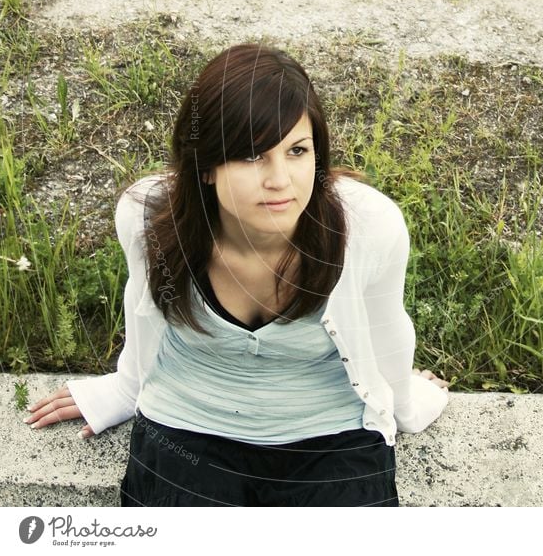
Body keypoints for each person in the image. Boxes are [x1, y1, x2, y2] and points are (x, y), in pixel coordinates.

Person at [26, 43, 450, 506]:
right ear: (205, 165)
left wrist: (407, 403)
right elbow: (143, 314)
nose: (280, 180)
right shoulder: (148, 216)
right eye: (252, 156)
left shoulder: (369, 226)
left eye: (297, 150)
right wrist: (124, 390)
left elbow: (388, 332)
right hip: (187, 424)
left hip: (330, 431)